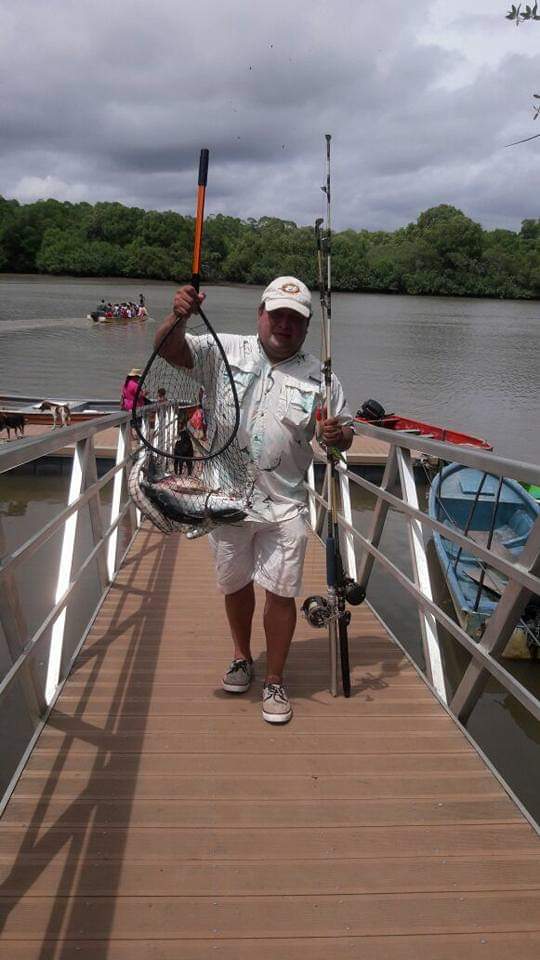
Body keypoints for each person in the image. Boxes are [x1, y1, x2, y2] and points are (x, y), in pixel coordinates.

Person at [154, 276, 353, 724]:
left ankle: (275, 680)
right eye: (277, 314)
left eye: (295, 319)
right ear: (260, 314)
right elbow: (169, 350)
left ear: (305, 328)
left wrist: (338, 434)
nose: (284, 324)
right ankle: (243, 657)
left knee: (281, 594)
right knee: (234, 585)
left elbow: (344, 434)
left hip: (285, 506)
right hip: (224, 498)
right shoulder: (222, 350)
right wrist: (179, 315)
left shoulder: (322, 378)